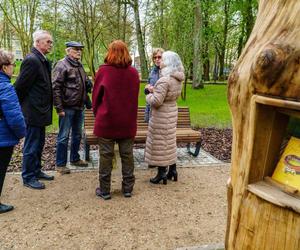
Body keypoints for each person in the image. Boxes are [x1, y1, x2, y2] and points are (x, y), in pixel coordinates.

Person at [92, 40, 140, 200]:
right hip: (127, 121)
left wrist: (98, 113)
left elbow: (95, 98)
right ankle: (127, 189)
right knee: (127, 155)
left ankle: (104, 190)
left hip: (107, 121)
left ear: (110, 52)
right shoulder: (133, 73)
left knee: (106, 155)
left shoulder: (103, 71)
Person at [15, 30, 54, 189]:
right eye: (48, 42)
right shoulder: (32, 60)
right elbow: (20, 87)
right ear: (37, 42)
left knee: (39, 144)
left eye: (51, 42)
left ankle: (36, 170)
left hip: (41, 111)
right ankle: (28, 176)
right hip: (33, 112)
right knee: (31, 145)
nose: (50, 44)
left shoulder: (41, 59)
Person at [144, 51, 184, 185]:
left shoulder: (164, 80)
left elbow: (156, 101)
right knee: (169, 142)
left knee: (160, 143)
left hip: (161, 116)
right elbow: (169, 95)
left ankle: (161, 173)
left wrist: (148, 95)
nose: (160, 61)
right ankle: (173, 170)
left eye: (163, 59)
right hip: (171, 113)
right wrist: (155, 90)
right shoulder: (177, 79)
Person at [52, 41, 90, 174]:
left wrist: (88, 86)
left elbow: (83, 85)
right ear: (68, 51)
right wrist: (59, 108)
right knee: (63, 136)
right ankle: (60, 164)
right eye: (76, 49)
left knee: (77, 135)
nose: (79, 52)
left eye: (80, 49)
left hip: (79, 107)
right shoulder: (62, 65)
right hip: (67, 108)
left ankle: (75, 158)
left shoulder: (79, 65)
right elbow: (55, 88)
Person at [0, 49, 26, 213]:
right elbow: (15, 117)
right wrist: (22, 133)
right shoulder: (5, 87)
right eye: (12, 64)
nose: (14, 68)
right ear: (4, 67)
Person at [144, 48, 164, 123]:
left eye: (159, 57)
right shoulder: (152, 72)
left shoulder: (167, 72)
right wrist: (147, 88)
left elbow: (170, 91)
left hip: (162, 111)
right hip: (150, 109)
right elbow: (147, 90)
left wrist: (154, 90)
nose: (157, 59)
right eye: (155, 57)